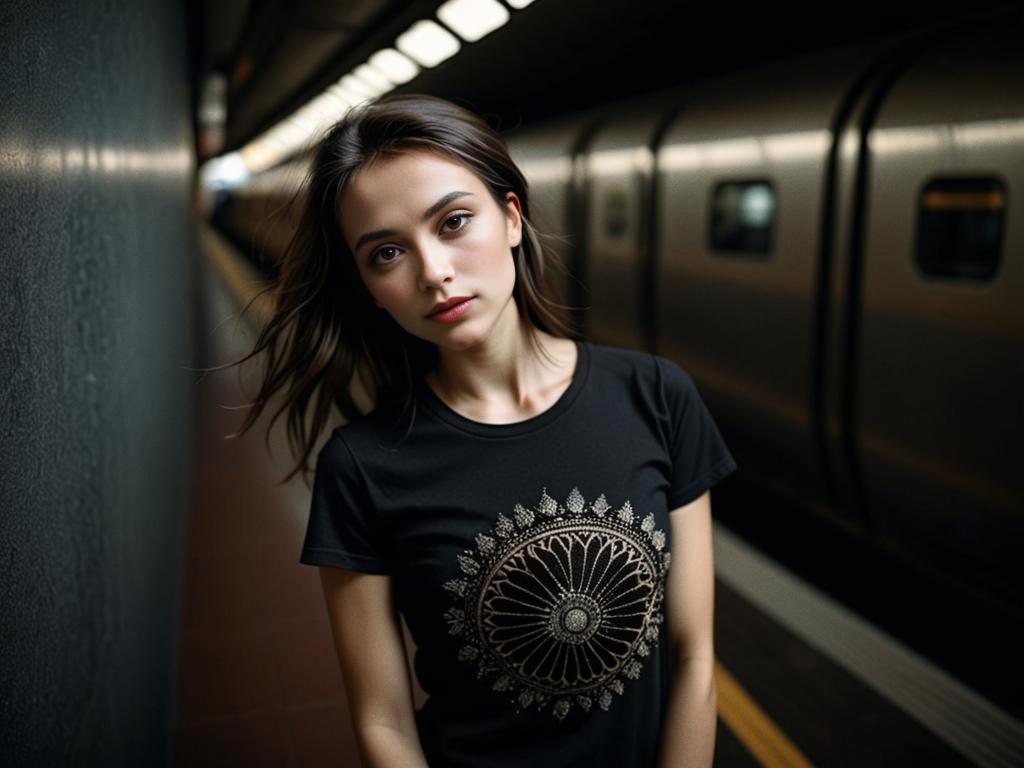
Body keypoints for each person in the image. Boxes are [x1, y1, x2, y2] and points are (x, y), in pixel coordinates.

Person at [228, 94, 737, 767]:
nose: (433, 271)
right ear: (368, 288)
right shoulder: (362, 467)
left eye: (454, 221)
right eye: (386, 254)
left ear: (512, 218)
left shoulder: (655, 397)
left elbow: (694, 655)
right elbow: (383, 722)